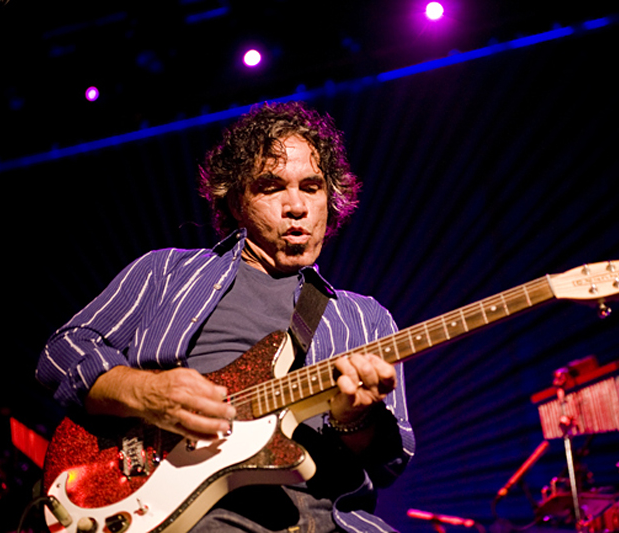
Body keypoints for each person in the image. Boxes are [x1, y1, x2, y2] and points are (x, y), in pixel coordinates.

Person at [36, 101, 414, 533]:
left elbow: (389, 462)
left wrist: (356, 420)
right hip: (179, 510)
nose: (297, 207)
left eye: (311, 187)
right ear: (236, 201)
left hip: (326, 518)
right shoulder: (166, 273)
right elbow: (61, 352)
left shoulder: (367, 321)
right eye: (272, 187)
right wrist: (145, 390)